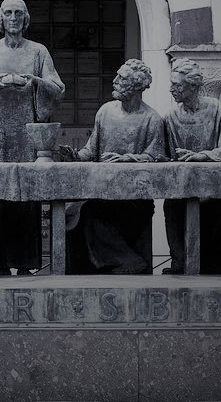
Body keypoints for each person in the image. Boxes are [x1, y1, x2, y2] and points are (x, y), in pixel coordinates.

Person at [0, 0, 64, 275]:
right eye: (8, 13)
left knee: (27, 193)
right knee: (0, 193)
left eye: (19, 13)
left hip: (28, 136)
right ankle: (1, 264)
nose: (14, 18)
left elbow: (57, 87)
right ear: (1, 18)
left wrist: (34, 81)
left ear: (26, 18)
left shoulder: (38, 52)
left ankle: (26, 263)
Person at [58, 59, 164, 274]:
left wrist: (127, 159)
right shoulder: (105, 111)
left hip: (133, 195)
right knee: (70, 210)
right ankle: (83, 270)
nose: (114, 81)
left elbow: (156, 157)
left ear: (136, 85)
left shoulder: (151, 119)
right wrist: (75, 156)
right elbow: (91, 150)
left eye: (121, 78)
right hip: (102, 189)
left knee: (89, 211)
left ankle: (128, 261)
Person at [163, 58, 221, 274]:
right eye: (172, 84)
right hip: (182, 187)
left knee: (220, 206)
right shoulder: (170, 117)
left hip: (214, 187)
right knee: (172, 205)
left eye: (177, 85)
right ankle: (181, 261)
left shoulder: (220, 112)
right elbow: (165, 155)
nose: (171, 89)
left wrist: (203, 156)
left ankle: (219, 264)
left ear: (193, 86)